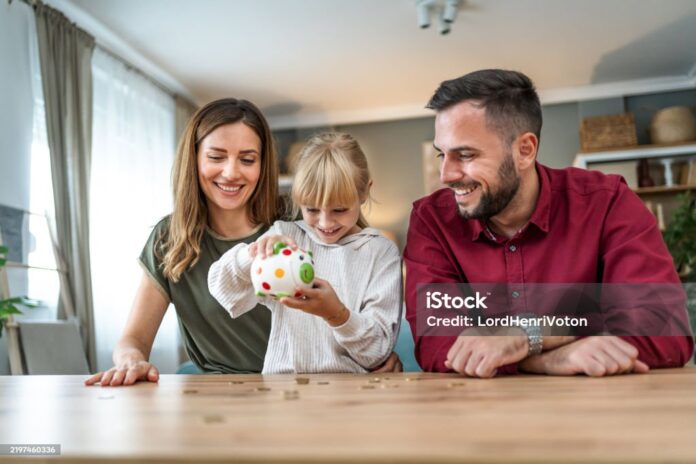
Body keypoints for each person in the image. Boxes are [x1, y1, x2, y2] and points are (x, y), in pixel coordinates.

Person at [84, 99, 401, 387]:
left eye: (247, 159)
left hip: (307, 386)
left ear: (264, 165)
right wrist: (131, 361)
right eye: (216, 157)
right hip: (225, 390)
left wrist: (372, 349)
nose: (231, 172)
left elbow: (350, 257)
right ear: (193, 160)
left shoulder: (295, 221)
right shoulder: (171, 238)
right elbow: (134, 339)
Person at [404, 69, 694, 378]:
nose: (446, 175)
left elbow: (665, 329)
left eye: (465, 154)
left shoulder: (608, 202)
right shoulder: (432, 220)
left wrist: (525, 335)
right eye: (441, 155)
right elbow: (437, 342)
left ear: (524, 151)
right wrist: (547, 358)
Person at [208, 132, 402, 373]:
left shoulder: (379, 252)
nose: (325, 223)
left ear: (364, 192)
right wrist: (252, 253)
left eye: (339, 209)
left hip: (352, 396)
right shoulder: (285, 238)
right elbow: (222, 289)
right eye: (311, 209)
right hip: (283, 392)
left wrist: (337, 314)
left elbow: (377, 351)